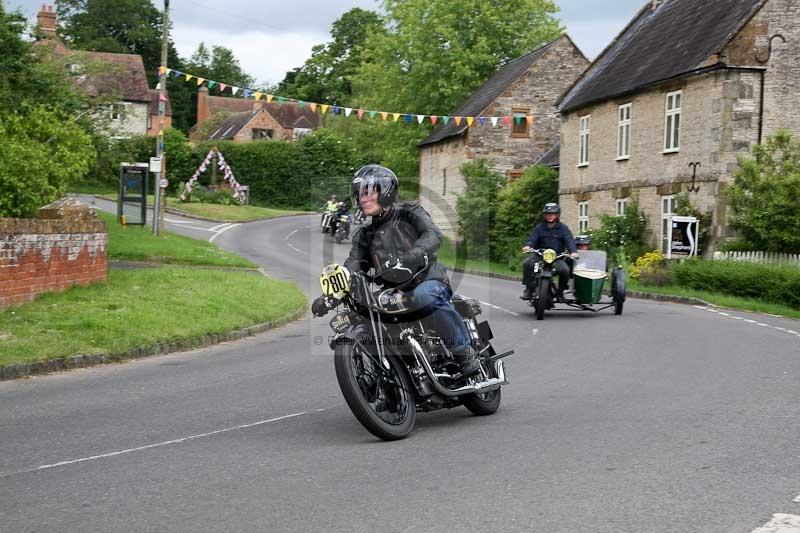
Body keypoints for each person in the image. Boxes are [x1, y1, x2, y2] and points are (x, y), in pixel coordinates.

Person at [312, 164, 481, 377]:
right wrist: (331, 295)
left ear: (386, 191)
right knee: (364, 313)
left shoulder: (410, 213)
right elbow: (354, 265)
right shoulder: (364, 235)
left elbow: (432, 235)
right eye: (359, 194)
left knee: (423, 296)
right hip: (394, 292)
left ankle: (463, 352)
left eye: (369, 192)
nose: (363, 199)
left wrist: (411, 256)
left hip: (427, 279)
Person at [520, 203, 578, 302]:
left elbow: (569, 240)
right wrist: (528, 246)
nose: (550, 216)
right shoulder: (539, 227)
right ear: (544, 215)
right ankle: (529, 289)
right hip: (540, 255)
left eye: (552, 214)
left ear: (557, 215)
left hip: (557, 256)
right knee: (527, 263)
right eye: (547, 214)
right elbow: (532, 239)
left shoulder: (563, 228)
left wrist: (573, 252)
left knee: (565, 270)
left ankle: (560, 293)